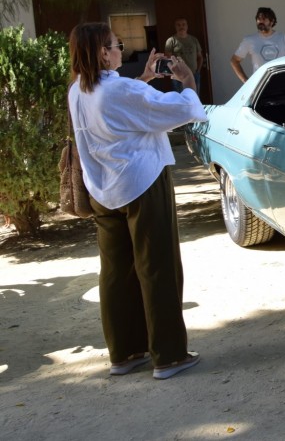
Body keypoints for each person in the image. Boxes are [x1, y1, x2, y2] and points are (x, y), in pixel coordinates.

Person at [68, 23, 208, 380]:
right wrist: (188, 81)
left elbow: (127, 111)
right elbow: (176, 112)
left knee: (116, 272)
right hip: (142, 183)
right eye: (116, 45)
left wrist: (144, 78)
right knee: (157, 266)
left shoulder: (78, 91)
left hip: (103, 188)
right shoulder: (120, 90)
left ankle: (125, 352)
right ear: (102, 53)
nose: (121, 50)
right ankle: (169, 355)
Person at [231, 7, 285, 83]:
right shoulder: (249, 40)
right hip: (260, 86)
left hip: (281, 84)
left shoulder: (283, 38)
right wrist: (246, 81)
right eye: (258, 19)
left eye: (264, 19)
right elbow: (234, 60)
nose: (261, 21)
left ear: (272, 21)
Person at [164, 18, 204, 95]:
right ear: (175, 27)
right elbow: (168, 60)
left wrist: (198, 71)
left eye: (183, 24)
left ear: (187, 26)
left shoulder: (194, 40)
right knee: (181, 99)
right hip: (179, 77)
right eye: (178, 25)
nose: (181, 27)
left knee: (195, 99)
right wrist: (174, 74)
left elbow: (200, 57)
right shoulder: (171, 41)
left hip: (194, 75)